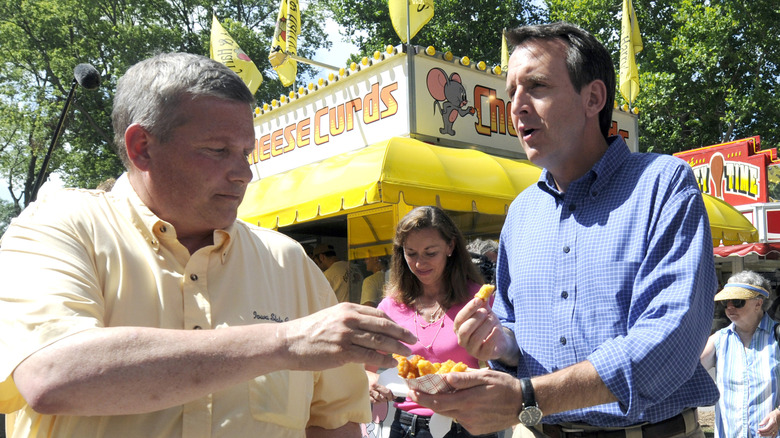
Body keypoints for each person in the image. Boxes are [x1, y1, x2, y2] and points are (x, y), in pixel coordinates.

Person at [0, 52, 416, 438]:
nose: (244, 175)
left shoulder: (288, 261)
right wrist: (283, 343)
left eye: (246, 153)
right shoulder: (60, 227)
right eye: (218, 151)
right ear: (141, 147)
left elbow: (333, 423)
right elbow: (53, 375)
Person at [409, 22, 719, 437]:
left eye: (535, 86)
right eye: (511, 92)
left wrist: (530, 398)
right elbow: (513, 322)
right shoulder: (520, 214)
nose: (515, 106)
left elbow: (669, 343)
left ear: (593, 98)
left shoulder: (662, 184)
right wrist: (504, 344)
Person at [367, 205, 497, 438]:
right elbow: (365, 368)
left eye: (430, 253)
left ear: (450, 247)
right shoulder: (391, 306)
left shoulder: (479, 300)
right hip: (405, 425)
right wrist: (372, 383)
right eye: (411, 253)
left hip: (466, 426)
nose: (419, 264)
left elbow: (499, 369)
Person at [700, 271, 780, 438]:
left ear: (758, 303)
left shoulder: (777, 336)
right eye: (725, 302)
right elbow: (685, 372)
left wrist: (778, 413)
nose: (730, 307)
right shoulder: (718, 340)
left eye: (737, 301)